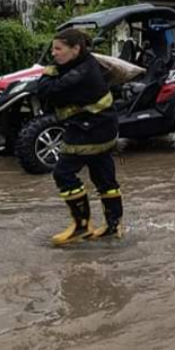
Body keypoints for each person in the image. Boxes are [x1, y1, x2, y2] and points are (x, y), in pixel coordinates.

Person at [37, 28, 123, 246]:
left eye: (58, 49)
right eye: (53, 49)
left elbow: (47, 90)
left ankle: (82, 226)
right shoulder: (83, 64)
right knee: (103, 176)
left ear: (75, 49)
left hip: (91, 128)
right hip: (101, 125)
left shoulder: (81, 73)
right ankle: (114, 226)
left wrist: (48, 71)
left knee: (63, 173)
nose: (54, 53)